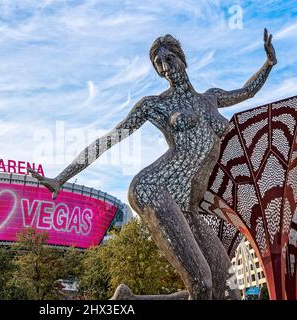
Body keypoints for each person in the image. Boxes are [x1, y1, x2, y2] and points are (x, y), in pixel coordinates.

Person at [29, 29, 276, 300]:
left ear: (182, 59)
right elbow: (111, 138)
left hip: (188, 206)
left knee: (227, 290)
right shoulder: (156, 105)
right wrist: (61, 178)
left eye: (169, 61)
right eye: (159, 66)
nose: (166, 70)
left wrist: (268, 64)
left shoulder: (211, 97)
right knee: (202, 283)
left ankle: (128, 301)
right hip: (155, 189)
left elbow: (248, 91)